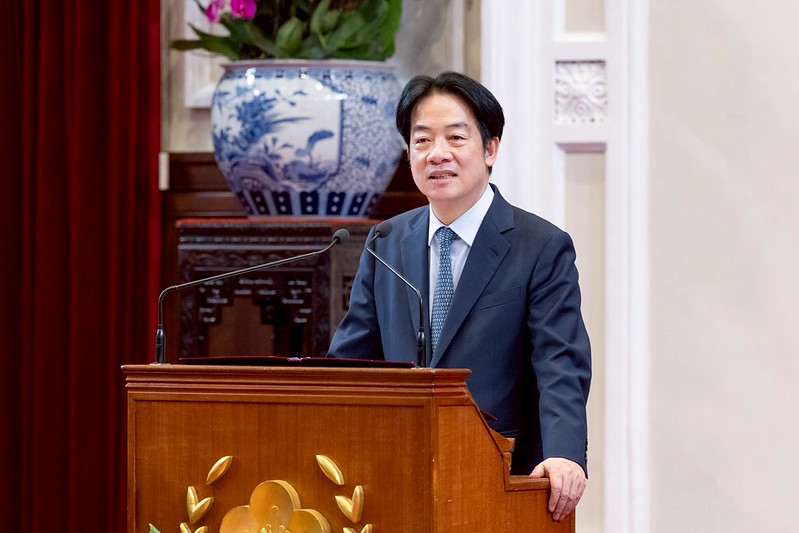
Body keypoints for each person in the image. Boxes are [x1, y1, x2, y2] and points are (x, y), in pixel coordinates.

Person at [327, 72, 591, 522]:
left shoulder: (540, 246)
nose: (437, 154)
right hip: (393, 477)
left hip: (501, 476)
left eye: (455, 137)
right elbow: (349, 364)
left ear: (490, 149)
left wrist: (565, 453)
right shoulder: (386, 242)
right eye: (422, 140)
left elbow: (559, 363)